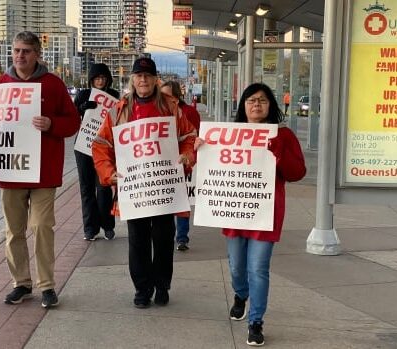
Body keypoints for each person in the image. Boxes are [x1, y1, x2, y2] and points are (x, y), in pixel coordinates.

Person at [195, 83, 306, 346]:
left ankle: (256, 322)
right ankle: (240, 295)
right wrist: (200, 148)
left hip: (264, 214)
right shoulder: (225, 134)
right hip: (234, 212)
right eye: (251, 100)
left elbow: (297, 173)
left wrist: (278, 152)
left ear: (271, 106)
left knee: (258, 268)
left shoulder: (284, 135)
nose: (256, 104)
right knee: (236, 267)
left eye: (263, 100)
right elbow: (209, 168)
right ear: (243, 105)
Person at [0, 31, 80, 308]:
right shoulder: (0, 85)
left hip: (44, 171)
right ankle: (21, 283)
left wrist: (52, 124)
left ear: (37, 54)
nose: (20, 56)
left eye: (26, 51)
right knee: (14, 231)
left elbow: (73, 123)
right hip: (11, 171)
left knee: (42, 226)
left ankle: (47, 285)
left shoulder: (53, 85)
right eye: (17, 50)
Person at [92, 57, 196, 308]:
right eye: (139, 76)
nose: (143, 80)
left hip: (163, 186)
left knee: (163, 238)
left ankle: (161, 285)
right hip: (135, 188)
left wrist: (186, 156)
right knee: (137, 241)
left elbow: (189, 137)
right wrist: (109, 172)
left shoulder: (171, 107)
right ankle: (142, 288)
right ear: (132, 79)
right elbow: (101, 145)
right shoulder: (119, 110)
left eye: (148, 76)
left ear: (155, 80)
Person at [73, 63, 119, 241]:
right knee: (86, 189)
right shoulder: (83, 94)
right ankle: (90, 228)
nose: (100, 81)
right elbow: (72, 115)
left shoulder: (114, 96)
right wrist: (82, 108)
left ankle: (107, 225)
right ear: (91, 80)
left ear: (108, 79)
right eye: (97, 78)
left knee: (105, 187)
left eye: (103, 78)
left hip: (105, 147)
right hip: (84, 146)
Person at [160, 80, 200, 252]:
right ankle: (167, 234)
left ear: (176, 95)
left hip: (181, 163)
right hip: (162, 165)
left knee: (181, 200)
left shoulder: (189, 112)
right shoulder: (160, 110)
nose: (164, 98)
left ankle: (182, 237)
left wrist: (190, 157)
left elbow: (194, 137)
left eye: (167, 95)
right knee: (167, 200)